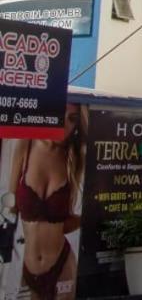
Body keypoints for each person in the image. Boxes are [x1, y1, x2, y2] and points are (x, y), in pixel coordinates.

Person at [9, 105, 84, 300]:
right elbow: (9, 206)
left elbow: (65, 220)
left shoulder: (73, 158)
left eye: (73, 119)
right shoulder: (26, 144)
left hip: (62, 263)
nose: (65, 124)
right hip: (24, 265)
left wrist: (88, 217)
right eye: (60, 115)